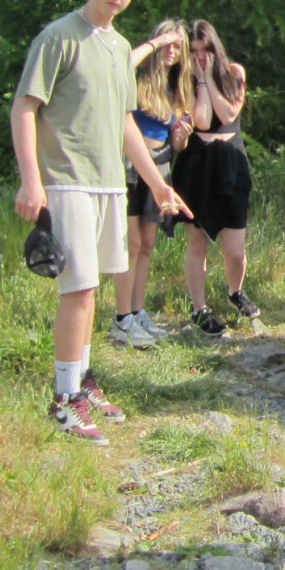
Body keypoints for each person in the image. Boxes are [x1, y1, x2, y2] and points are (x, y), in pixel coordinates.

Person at [11, 0, 190, 445]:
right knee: (79, 288)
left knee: (93, 289)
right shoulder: (59, 36)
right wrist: (31, 181)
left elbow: (125, 121)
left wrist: (157, 183)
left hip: (111, 181)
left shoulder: (120, 46)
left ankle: (83, 380)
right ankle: (64, 399)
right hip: (66, 179)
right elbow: (24, 107)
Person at [170, 21, 258, 336]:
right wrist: (199, 81)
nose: (199, 56)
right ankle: (199, 308)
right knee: (197, 242)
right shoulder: (184, 79)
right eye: (193, 51)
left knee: (234, 248)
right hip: (197, 163)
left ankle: (236, 291)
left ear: (214, 48)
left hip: (230, 162)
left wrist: (209, 78)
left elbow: (229, 114)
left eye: (204, 49)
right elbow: (203, 119)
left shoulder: (234, 72)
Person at [111, 20, 193, 348]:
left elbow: (177, 146)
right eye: (167, 44)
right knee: (130, 244)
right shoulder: (136, 76)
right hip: (130, 166)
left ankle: (137, 311)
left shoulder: (178, 87)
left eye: (177, 46)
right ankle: (122, 319)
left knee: (146, 245)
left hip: (159, 167)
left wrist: (181, 137)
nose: (172, 51)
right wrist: (156, 44)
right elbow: (121, 64)